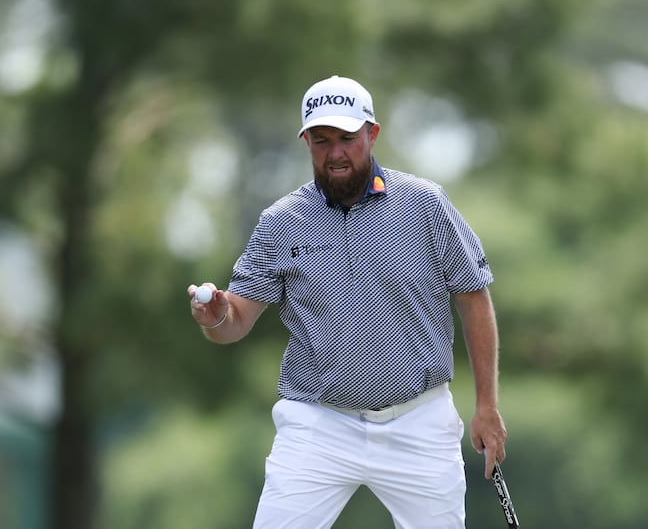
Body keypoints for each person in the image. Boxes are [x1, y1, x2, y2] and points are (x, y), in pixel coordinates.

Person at [187, 75, 507, 528]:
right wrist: (215, 315)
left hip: (418, 419)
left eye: (346, 139)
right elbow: (233, 321)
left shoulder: (425, 205)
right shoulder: (281, 221)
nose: (335, 152)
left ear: (371, 135)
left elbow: (474, 298)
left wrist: (486, 406)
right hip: (319, 423)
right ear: (306, 142)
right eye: (321, 141)